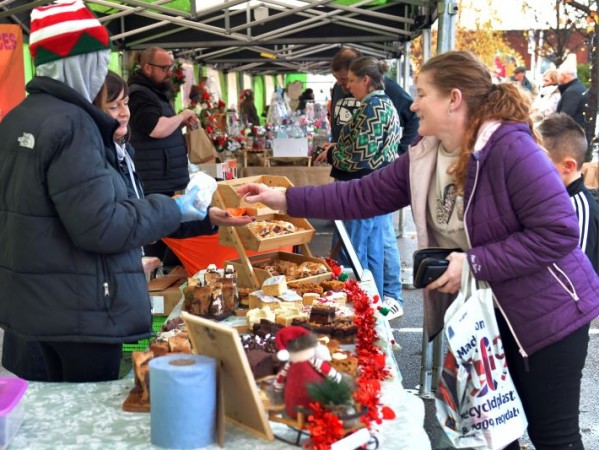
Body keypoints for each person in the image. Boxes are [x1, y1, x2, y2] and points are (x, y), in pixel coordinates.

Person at [238, 51, 599, 450]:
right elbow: (363, 194)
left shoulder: (509, 147)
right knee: (494, 435)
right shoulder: (428, 152)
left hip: (546, 316)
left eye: (423, 93)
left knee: (553, 437)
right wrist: (283, 198)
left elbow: (558, 233)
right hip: (484, 318)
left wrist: (474, 263)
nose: (412, 104)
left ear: (454, 99)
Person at [0, 1, 252, 383]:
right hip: (78, 315)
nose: (101, 72)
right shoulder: (73, 124)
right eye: (98, 61)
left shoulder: (16, 119)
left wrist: (187, 213)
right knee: (85, 418)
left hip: (29, 311)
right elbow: (104, 225)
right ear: (81, 63)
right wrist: (176, 208)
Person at [317, 46, 419, 319]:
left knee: (355, 251)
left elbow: (359, 157)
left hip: (363, 187)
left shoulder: (374, 107)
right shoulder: (378, 104)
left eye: (350, 81)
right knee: (372, 249)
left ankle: (359, 307)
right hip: (371, 184)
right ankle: (373, 305)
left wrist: (333, 154)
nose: (347, 87)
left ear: (365, 79)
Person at [127, 46, 200, 265]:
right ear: (147, 67)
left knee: (167, 233)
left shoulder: (154, 92)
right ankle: (159, 280)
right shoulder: (139, 94)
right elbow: (155, 128)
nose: (169, 72)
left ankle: (165, 276)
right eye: (164, 68)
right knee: (158, 237)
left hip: (162, 176)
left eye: (171, 67)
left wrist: (180, 122)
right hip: (153, 179)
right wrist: (182, 116)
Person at [538, 113, 599, 274]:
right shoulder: (551, 199)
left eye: (539, 162)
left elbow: (575, 276)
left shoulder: (579, 210)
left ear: (568, 166)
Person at [556, 64, 588, 128]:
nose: (557, 77)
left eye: (558, 74)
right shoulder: (577, 87)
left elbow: (565, 116)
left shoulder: (572, 92)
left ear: (564, 76)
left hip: (571, 131)